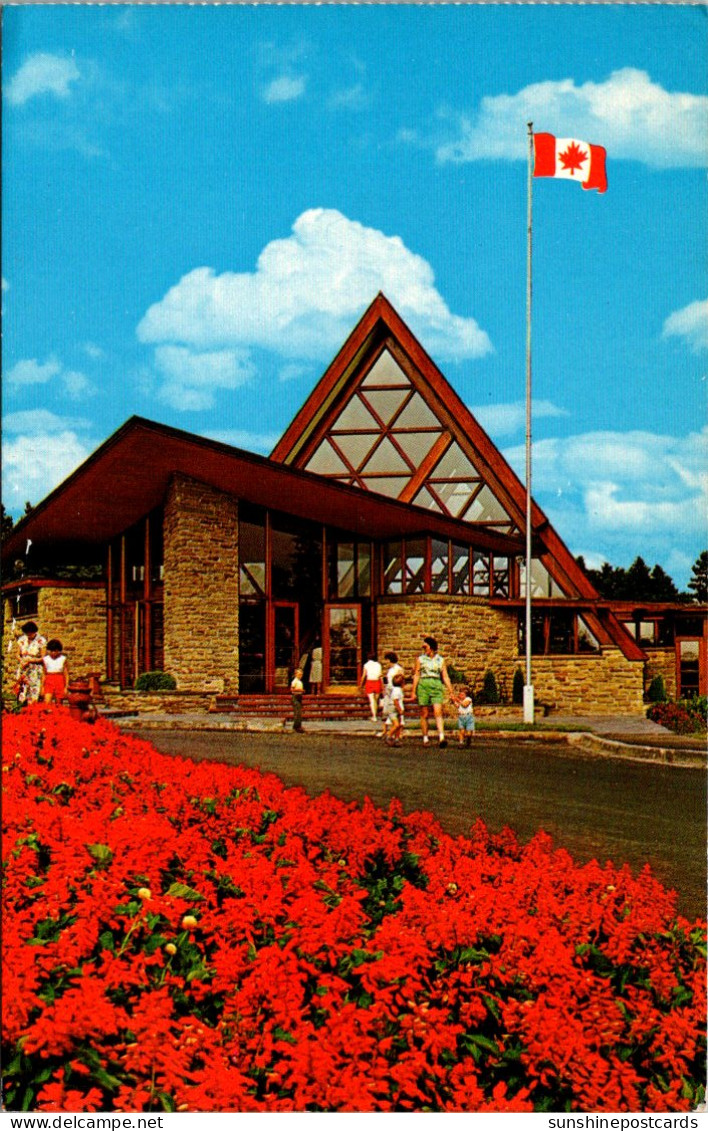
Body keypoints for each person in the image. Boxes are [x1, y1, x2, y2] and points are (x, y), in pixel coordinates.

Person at [410, 635, 457, 748]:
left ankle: (441, 737)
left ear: (431, 647)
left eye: (425, 647)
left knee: (438, 712)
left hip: (436, 684)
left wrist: (451, 691)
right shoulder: (420, 659)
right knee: (424, 713)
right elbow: (417, 675)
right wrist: (413, 691)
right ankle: (425, 738)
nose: (424, 649)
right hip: (424, 685)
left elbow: (445, 676)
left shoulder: (440, 660)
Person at [15, 621, 47, 705]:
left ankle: (32, 709)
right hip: (23, 668)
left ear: (34, 631)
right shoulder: (22, 639)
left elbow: (43, 658)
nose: (28, 635)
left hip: (34, 669)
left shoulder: (41, 640)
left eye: (30, 633)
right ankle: (20, 708)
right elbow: (17, 654)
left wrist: (30, 660)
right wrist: (21, 660)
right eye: (27, 633)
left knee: (33, 691)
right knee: (22, 689)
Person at [380, 651, 404, 739]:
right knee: (387, 713)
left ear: (389, 660)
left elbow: (400, 680)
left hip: (395, 692)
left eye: (386, 660)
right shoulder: (390, 670)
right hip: (389, 693)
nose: (385, 663)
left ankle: (399, 733)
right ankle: (386, 731)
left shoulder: (398, 669)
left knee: (397, 714)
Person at [41, 639, 69, 705]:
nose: (53, 653)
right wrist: (42, 687)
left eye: (55, 651)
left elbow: (66, 674)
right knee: (47, 701)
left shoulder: (63, 659)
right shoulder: (46, 659)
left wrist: (66, 687)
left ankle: (58, 714)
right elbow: (44, 674)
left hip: (59, 680)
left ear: (58, 650)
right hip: (49, 680)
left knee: (59, 703)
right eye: (51, 651)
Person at [359, 653, 383, 722]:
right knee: (376, 699)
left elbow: (364, 675)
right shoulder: (378, 665)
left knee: (372, 700)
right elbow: (380, 675)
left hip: (370, 682)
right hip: (377, 681)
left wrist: (361, 684)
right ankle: (375, 714)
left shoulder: (366, 665)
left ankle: (374, 716)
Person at [385, 673, 406, 746]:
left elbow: (400, 699)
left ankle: (396, 738)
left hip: (396, 708)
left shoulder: (398, 690)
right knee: (396, 724)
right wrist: (400, 709)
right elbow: (395, 701)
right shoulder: (397, 690)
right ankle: (389, 735)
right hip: (393, 708)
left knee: (399, 724)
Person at [290, 668, 304, 732]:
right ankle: (296, 726)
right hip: (295, 696)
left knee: (299, 712)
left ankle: (299, 725)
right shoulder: (294, 681)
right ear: (296, 674)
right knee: (297, 712)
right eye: (299, 674)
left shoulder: (300, 682)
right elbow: (292, 690)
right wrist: (300, 690)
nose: (300, 675)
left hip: (299, 696)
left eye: (301, 674)